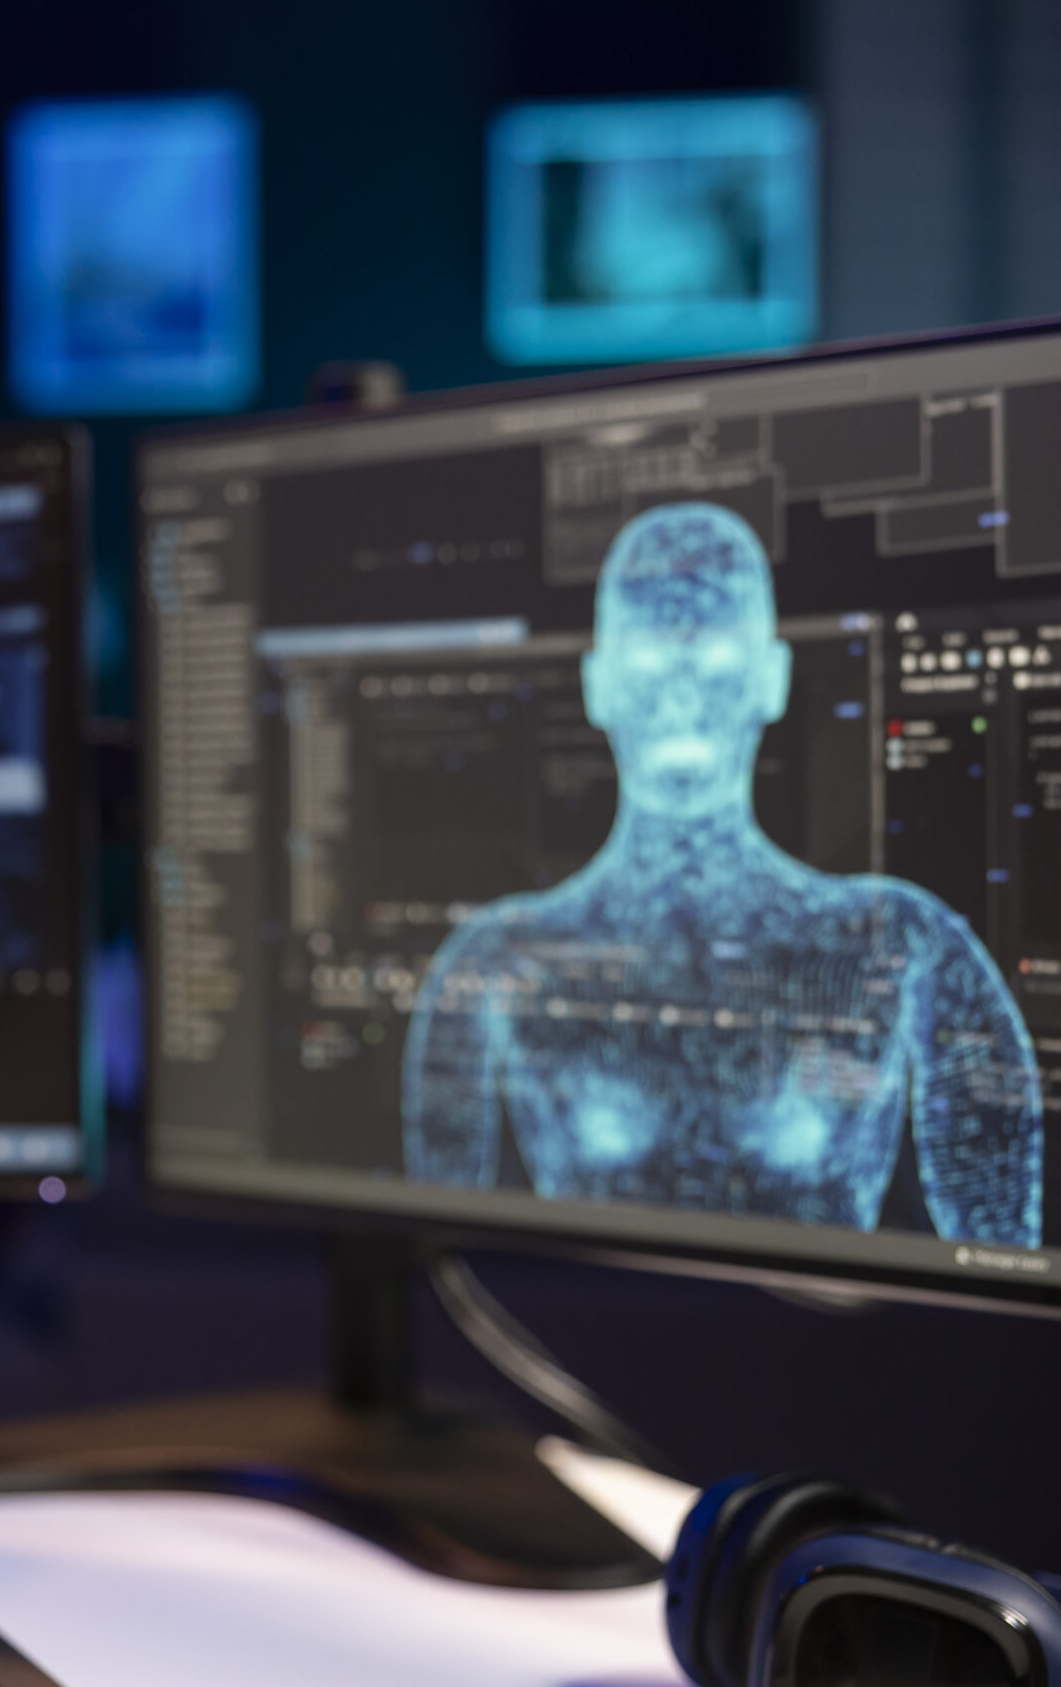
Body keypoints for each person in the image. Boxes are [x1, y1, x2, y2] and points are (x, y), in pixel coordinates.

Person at [403, 502, 1044, 1246]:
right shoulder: (496, 961)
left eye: (713, 663)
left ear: (770, 678)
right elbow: (433, 1267)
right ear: (598, 685)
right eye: (648, 663)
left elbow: (1004, 1260)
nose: (681, 698)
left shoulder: (903, 946)